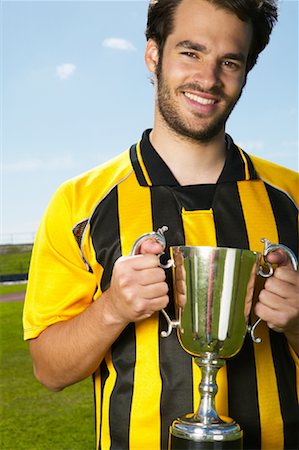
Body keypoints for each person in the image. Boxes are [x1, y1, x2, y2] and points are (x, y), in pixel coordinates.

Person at [23, 0, 299, 449]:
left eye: (229, 61)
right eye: (191, 52)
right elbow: (49, 371)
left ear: (247, 70)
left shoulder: (293, 198)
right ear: (154, 54)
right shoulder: (79, 203)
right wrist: (112, 308)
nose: (208, 79)